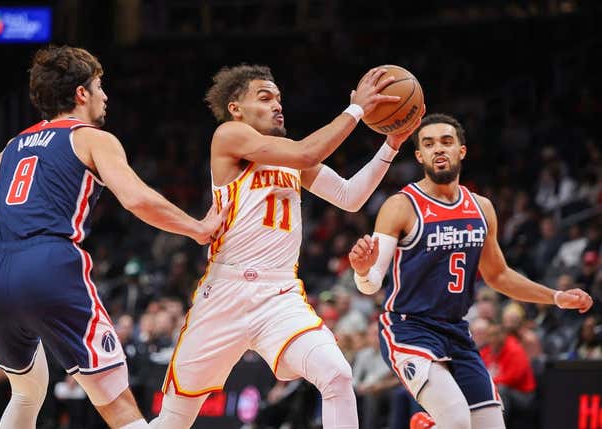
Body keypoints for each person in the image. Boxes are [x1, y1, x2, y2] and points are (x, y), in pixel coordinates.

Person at [149, 64, 423, 429]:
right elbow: (309, 153)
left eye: (279, 98)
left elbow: (349, 196)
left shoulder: (290, 154)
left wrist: (391, 145)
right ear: (236, 108)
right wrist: (357, 108)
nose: (278, 105)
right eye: (265, 98)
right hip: (225, 294)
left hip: (279, 294)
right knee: (174, 421)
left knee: (338, 375)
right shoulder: (230, 135)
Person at [0, 45, 227, 429]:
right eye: (100, 86)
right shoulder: (92, 138)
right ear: (81, 93)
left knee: (26, 391)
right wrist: (198, 228)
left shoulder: (16, 144)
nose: (106, 95)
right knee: (117, 403)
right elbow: (137, 199)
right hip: (45, 265)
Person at [348, 113, 593, 429]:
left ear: (461, 151)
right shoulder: (401, 206)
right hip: (409, 330)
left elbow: (499, 275)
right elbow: (370, 285)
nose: (439, 149)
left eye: (447, 142)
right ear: (419, 155)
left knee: (491, 426)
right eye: (429, 143)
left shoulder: (481, 207)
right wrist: (362, 271)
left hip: (457, 332)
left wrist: (557, 297)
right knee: (456, 420)